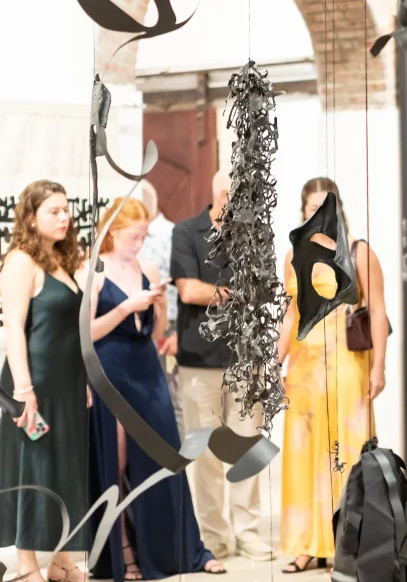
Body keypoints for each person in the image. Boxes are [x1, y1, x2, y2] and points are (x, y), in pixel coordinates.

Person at [82, 197, 224, 580]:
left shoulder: (147, 266)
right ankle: (124, 552)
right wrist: (125, 308)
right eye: (133, 236)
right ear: (112, 232)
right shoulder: (94, 271)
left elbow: (154, 334)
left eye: (144, 236)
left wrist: (158, 310)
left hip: (146, 368)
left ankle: (183, 548)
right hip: (111, 371)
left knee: (165, 458)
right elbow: (85, 333)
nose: (139, 243)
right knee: (118, 463)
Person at [277, 177, 387, 573]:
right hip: (303, 370)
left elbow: (378, 311)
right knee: (304, 455)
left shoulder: (358, 252)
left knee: (347, 454)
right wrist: (274, 363)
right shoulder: (293, 255)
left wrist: (379, 366)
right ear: (303, 212)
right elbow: (291, 313)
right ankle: (307, 544)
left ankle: (348, 542)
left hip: (346, 366)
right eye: (312, 208)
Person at [170, 171, 273, 561]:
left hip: (247, 360)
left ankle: (248, 531)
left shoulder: (255, 236)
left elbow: (264, 290)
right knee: (207, 454)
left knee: (249, 448)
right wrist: (235, 293)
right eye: (235, 194)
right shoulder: (187, 232)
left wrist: (230, 294)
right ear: (220, 193)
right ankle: (214, 535)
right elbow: (189, 290)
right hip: (199, 361)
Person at [0, 181, 89, 582]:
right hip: (32, 384)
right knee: (33, 472)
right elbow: (14, 329)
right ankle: (26, 566)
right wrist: (23, 391)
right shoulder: (20, 261)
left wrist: (82, 382)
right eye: (54, 211)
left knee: (66, 470)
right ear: (31, 218)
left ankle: (62, 561)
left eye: (66, 209)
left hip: (67, 384)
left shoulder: (61, 259)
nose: (64, 217)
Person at [137, 180, 183, 439]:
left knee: (169, 394)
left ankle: (176, 450)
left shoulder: (171, 235)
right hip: (138, 326)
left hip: (167, 326)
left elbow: (181, 284)